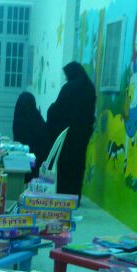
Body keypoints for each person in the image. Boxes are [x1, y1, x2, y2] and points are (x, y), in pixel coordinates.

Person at [46, 61, 96, 198]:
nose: (66, 78)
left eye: (67, 75)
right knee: (78, 164)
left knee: (65, 165)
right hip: (82, 135)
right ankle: (75, 195)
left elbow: (57, 110)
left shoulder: (69, 88)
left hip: (67, 135)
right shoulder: (90, 88)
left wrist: (51, 109)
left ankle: (63, 195)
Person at [12, 92, 51, 181]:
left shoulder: (19, 120)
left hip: (32, 164)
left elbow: (22, 147)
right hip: (42, 164)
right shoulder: (37, 118)